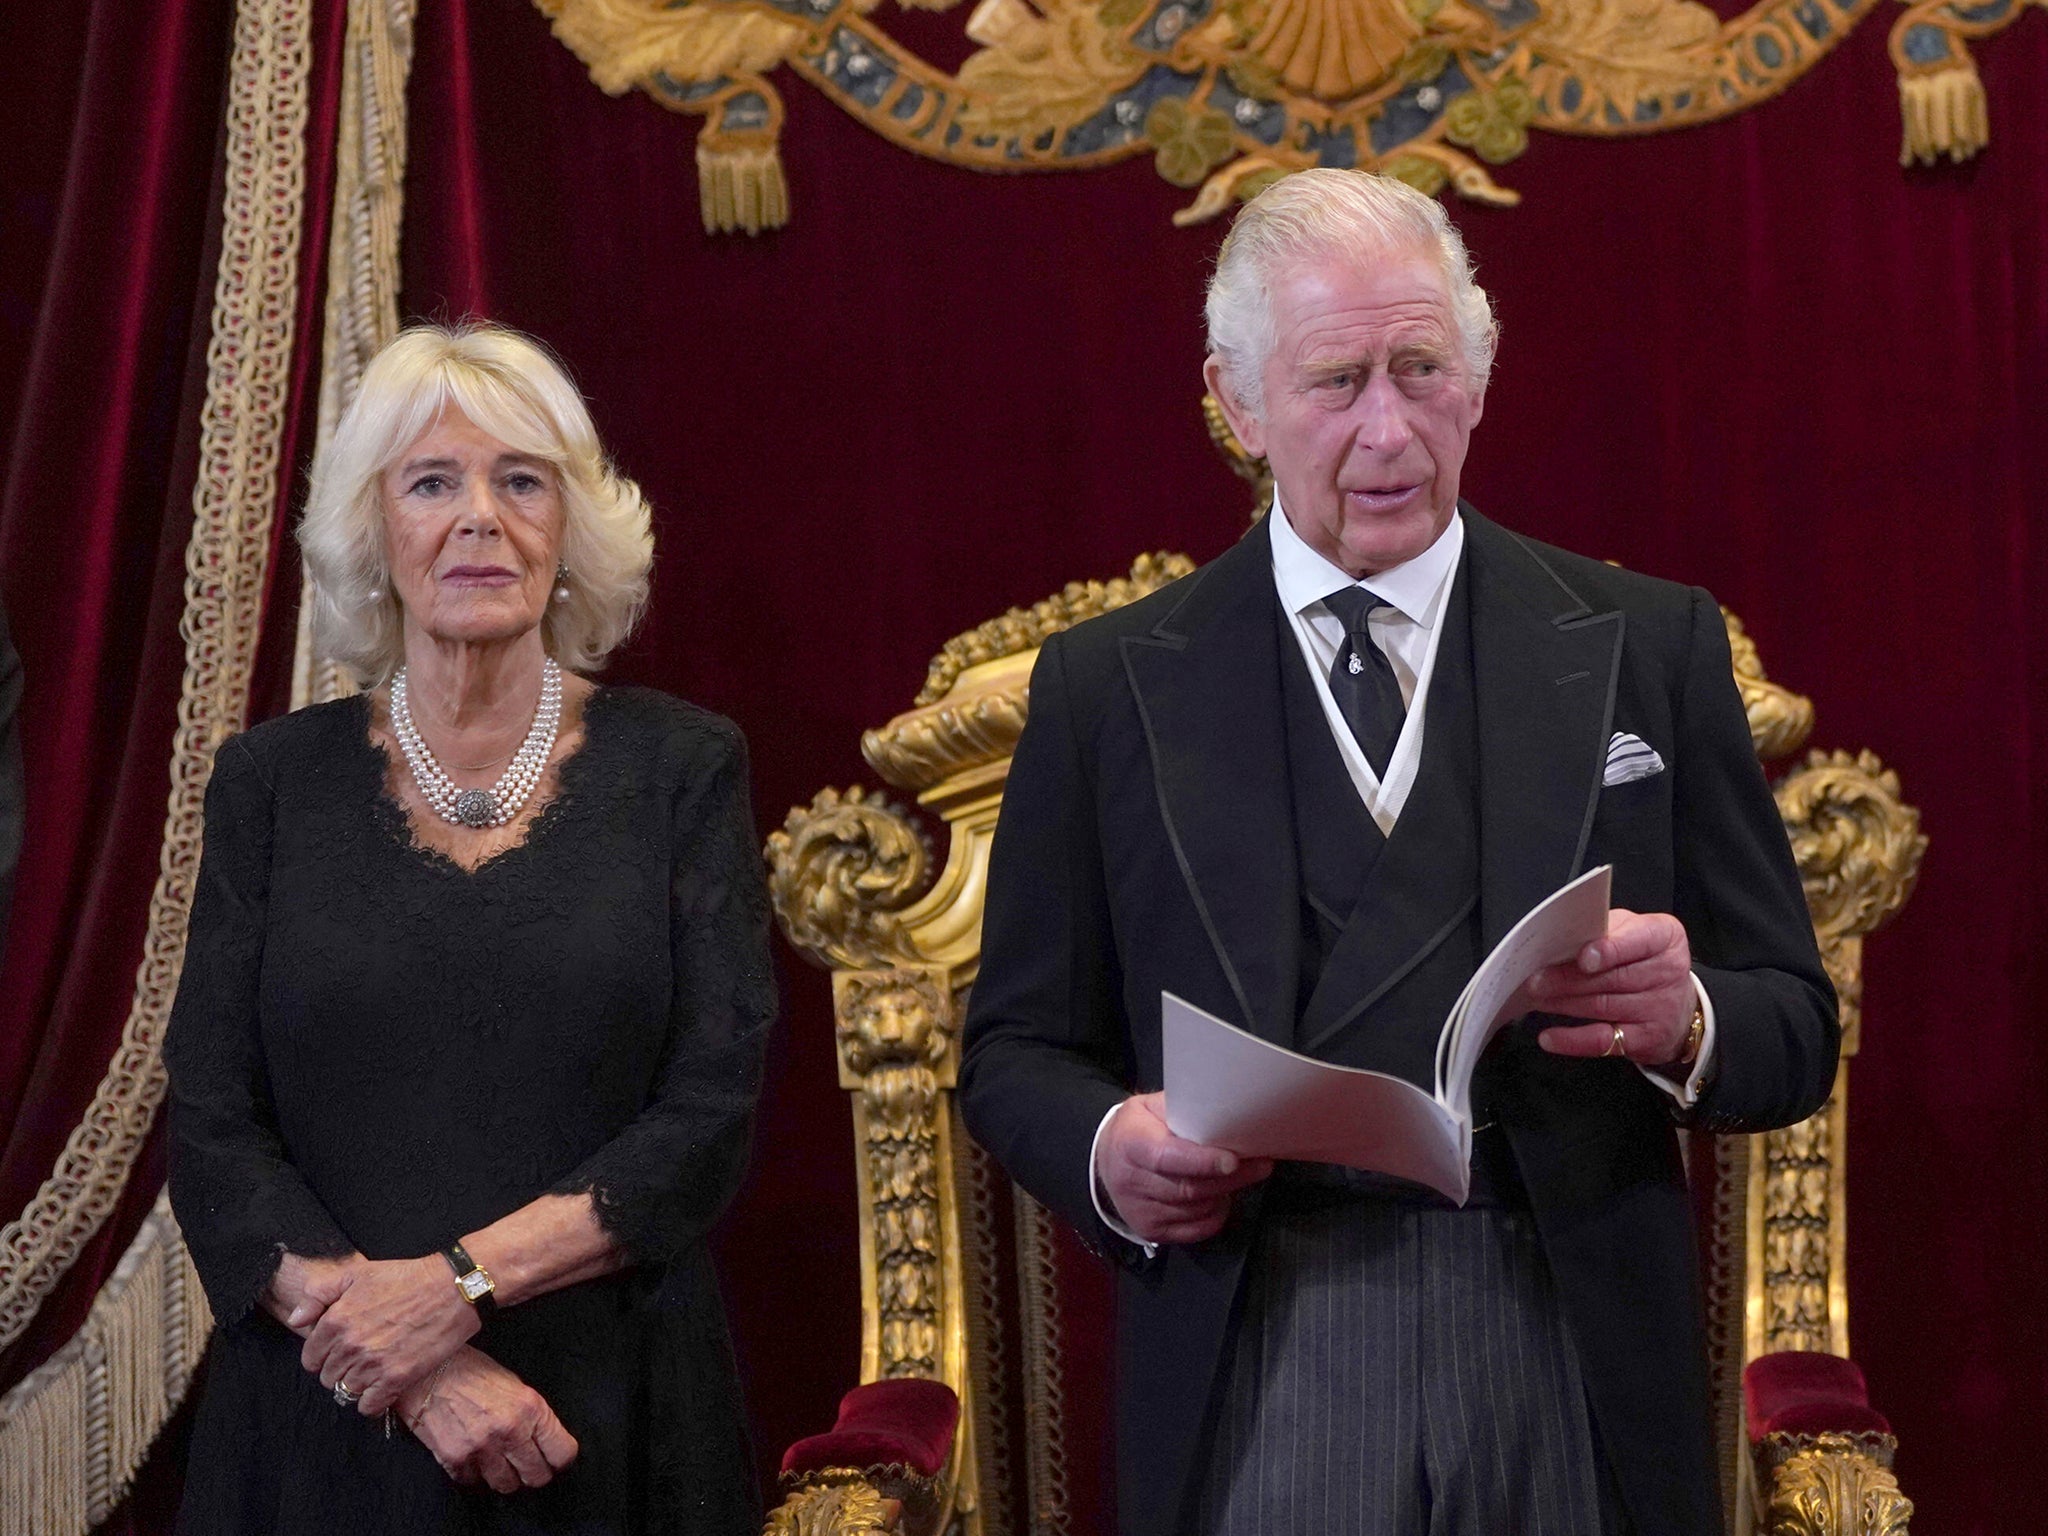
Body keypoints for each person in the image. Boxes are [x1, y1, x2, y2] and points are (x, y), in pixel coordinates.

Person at [957, 170, 1837, 1536]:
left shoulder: (1646, 647)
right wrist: (1106, 1147)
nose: (1390, 429)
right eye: (1337, 381)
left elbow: (1794, 1029)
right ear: (1237, 404)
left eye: (1422, 368)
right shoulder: (1107, 689)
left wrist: (1690, 1016)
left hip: (1567, 1331)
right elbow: (1012, 1051)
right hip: (1264, 1327)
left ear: (1477, 379)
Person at [165, 322, 776, 1534]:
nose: (478, 517)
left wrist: (457, 1285)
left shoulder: (683, 767)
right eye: (432, 481)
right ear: (375, 534)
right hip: (322, 1426)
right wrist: (416, 1361)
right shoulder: (269, 785)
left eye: (521, 479)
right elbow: (211, 1123)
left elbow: (707, 1114)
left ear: (569, 530)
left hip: (608, 1422)